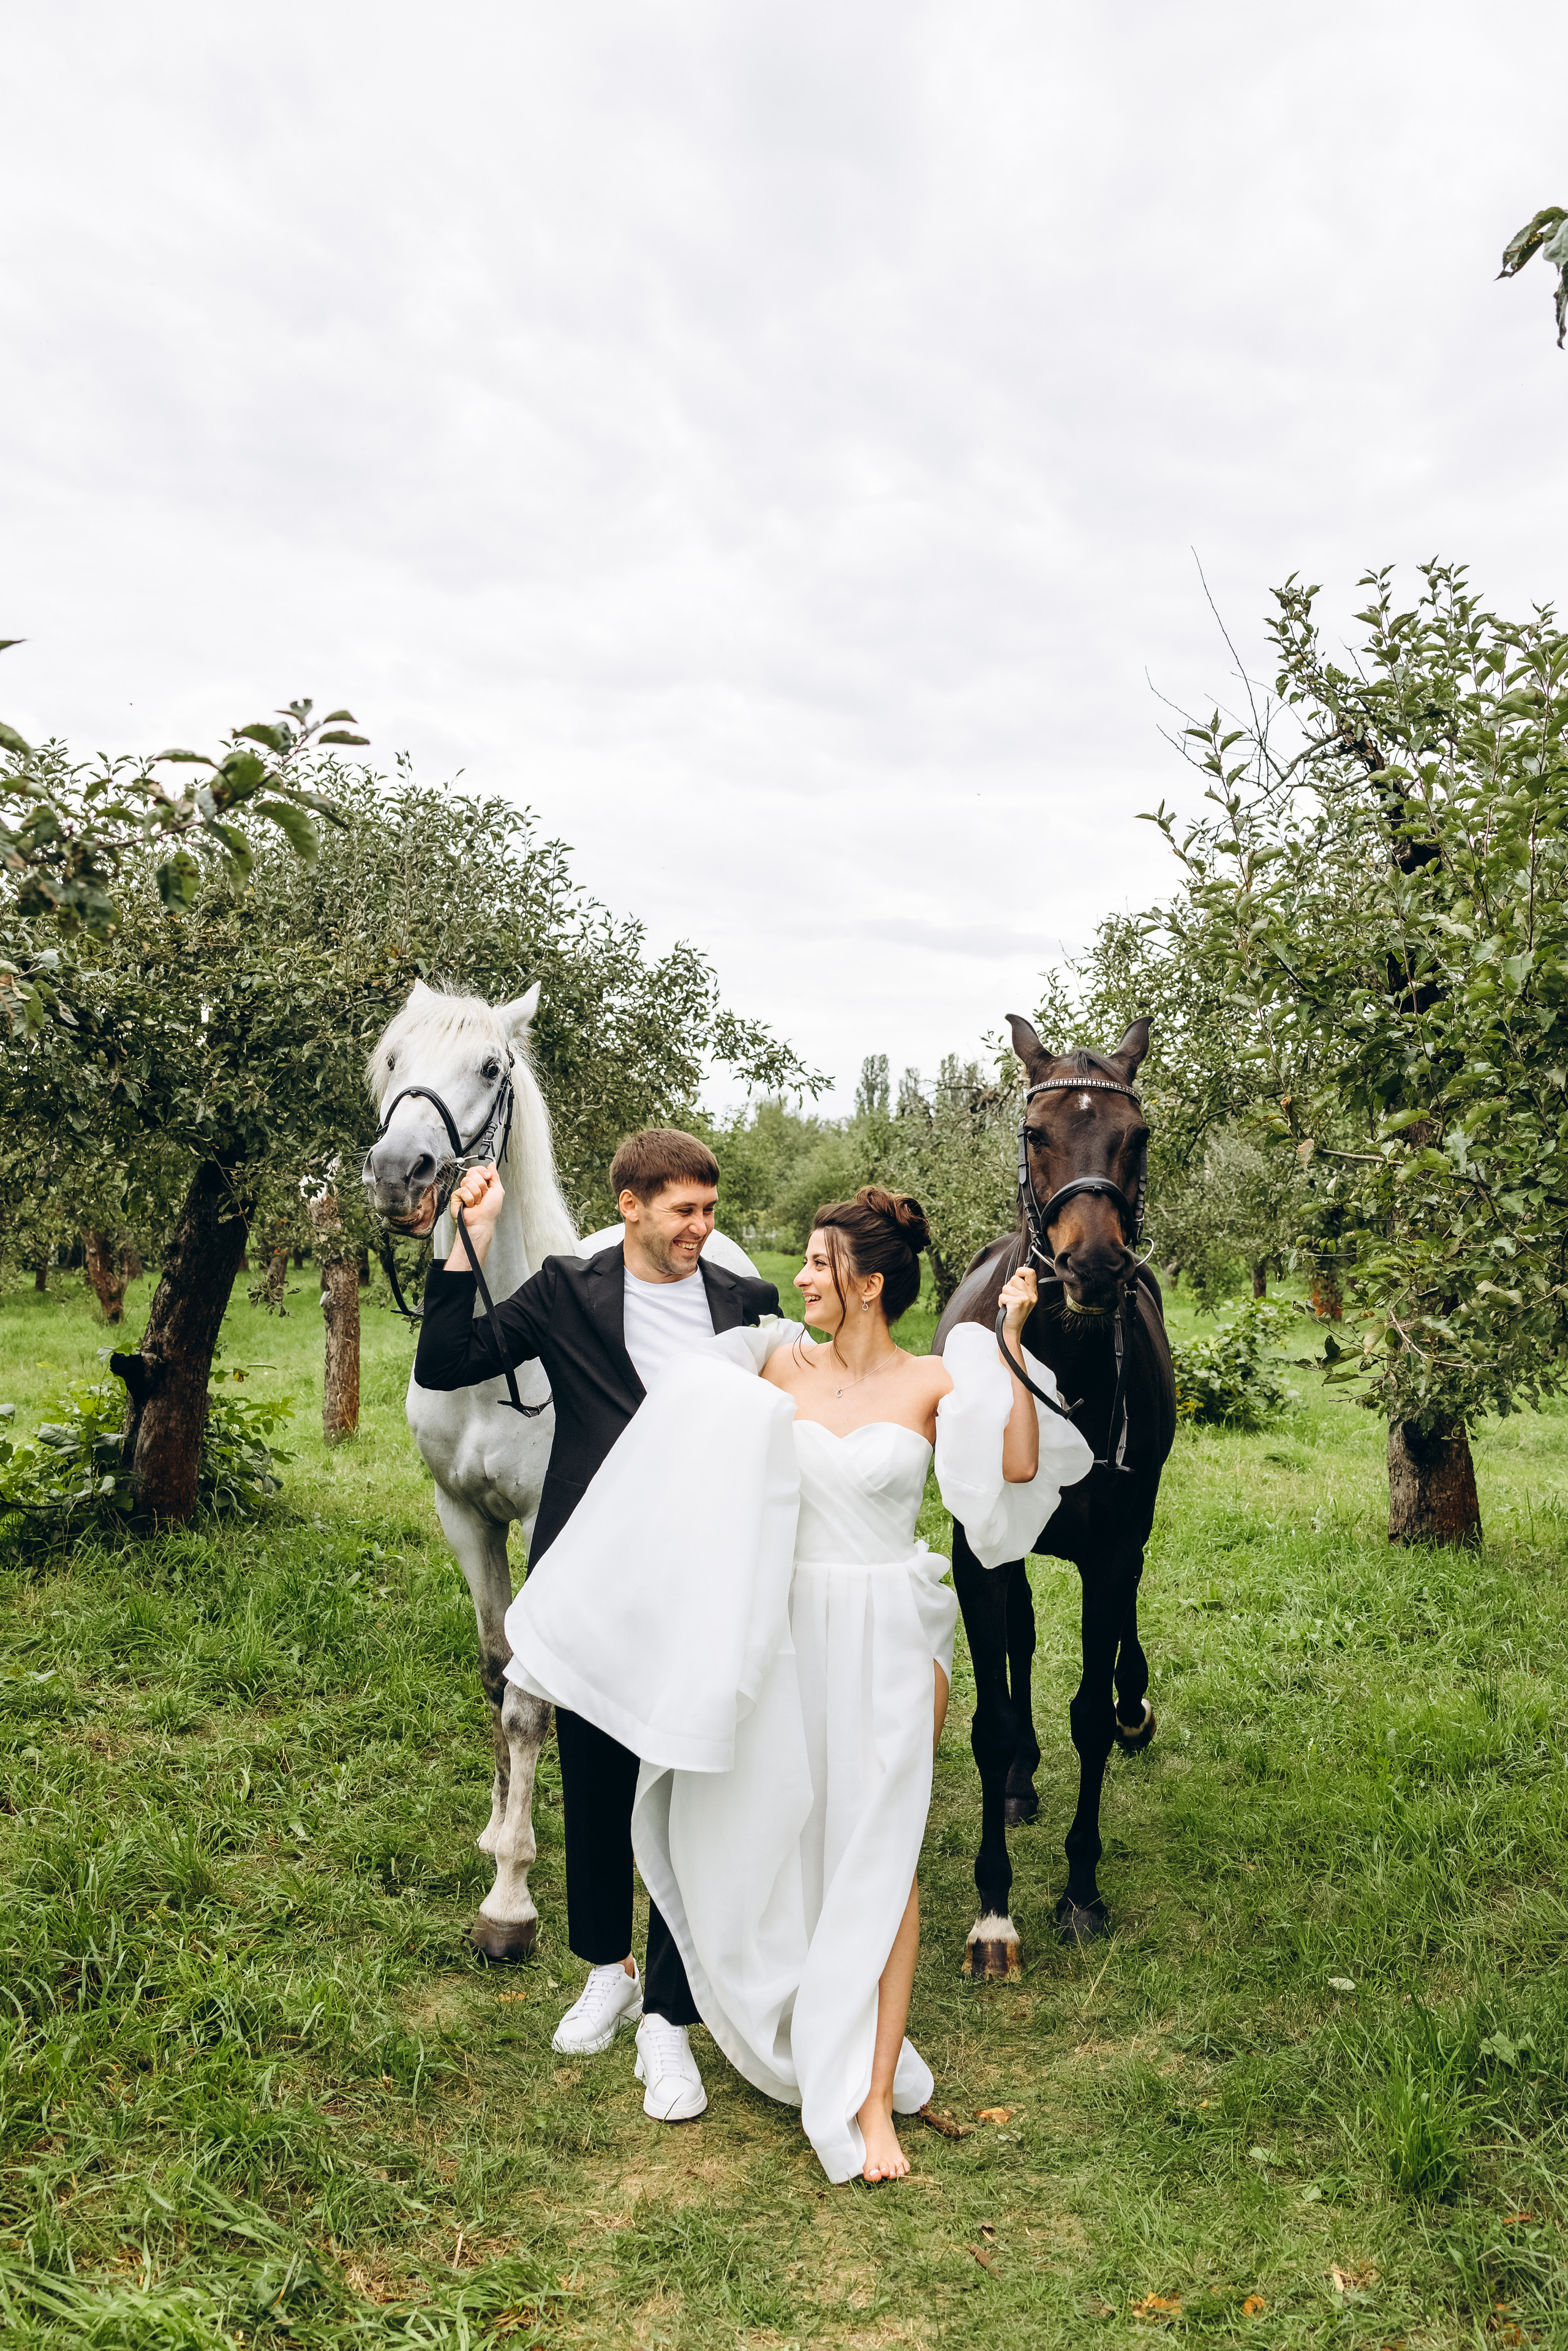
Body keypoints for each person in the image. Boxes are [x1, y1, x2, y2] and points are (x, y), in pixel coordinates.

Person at [500, 1185, 1095, 2183]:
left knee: (887, 1849)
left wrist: (1011, 1343)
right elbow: (678, 1409)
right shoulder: (770, 1361)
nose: (801, 1277)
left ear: (865, 1283)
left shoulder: (936, 1378)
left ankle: (869, 2100)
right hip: (787, 1629)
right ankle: (772, 1996)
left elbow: (1016, 1471)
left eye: (819, 1263)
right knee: (783, 1822)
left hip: (893, 1632)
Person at [414, 1128, 781, 2125]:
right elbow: (450, 1357)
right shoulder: (569, 1291)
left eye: (710, 1209)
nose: (703, 1229)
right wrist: (464, 1242)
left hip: (706, 1573)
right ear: (630, 1204)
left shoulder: (745, 1305)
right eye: (685, 1212)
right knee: (600, 1772)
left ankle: (668, 2012)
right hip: (593, 1571)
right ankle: (605, 1969)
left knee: (686, 1780)